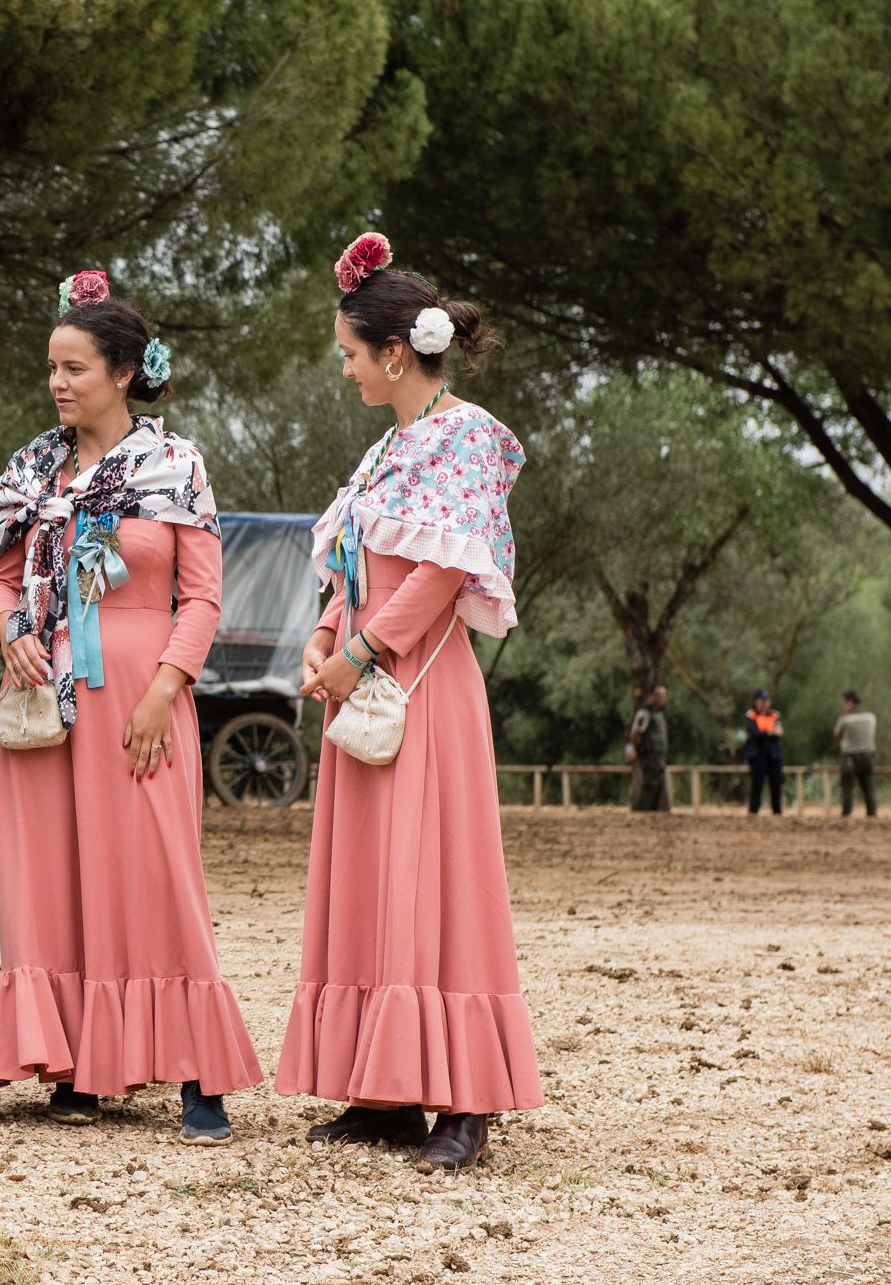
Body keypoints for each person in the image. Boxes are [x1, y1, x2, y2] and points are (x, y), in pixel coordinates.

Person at [0, 274, 262, 1144]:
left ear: (125, 371)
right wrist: (9, 630)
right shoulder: (30, 468)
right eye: (52, 368)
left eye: (76, 368)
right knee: (53, 876)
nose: (59, 384)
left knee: (156, 874)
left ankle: (198, 1075)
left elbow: (203, 598)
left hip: (140, 690)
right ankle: (76, 1063)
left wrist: (165, 689)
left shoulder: (175, 465)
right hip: (41, 697)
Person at [284, 233, 540, 1173]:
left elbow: (443, 567)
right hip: (369, 683)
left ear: (393, 351)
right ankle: (387, 1087)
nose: (343, 367)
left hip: (421, 692)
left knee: (441, 879)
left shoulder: (465, 435)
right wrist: (323, 633)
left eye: (349, 352)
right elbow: (362, 561)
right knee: (376, 879)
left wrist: (358, 648)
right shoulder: (388, 447)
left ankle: (466, 1099)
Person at [833, 692, 878, 819]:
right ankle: (872, 813)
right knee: (868, 786)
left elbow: (837, 736)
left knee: (847, 787)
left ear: (850, 703)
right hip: (868, 757)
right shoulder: (870, 717)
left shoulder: (844, 719)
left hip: (850, 758)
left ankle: (846, 813)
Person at [628, 684, 671, 813]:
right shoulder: (645, 712)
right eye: (660, 695)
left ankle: (656, 812)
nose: (663, 698)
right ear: (652, 695)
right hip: (649, 755)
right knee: (650, 784)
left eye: (664, 695)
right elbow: (635, 733)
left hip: (658, 756)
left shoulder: (658, 712)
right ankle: (641, 811)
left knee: (659, 784)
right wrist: (637, 750)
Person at [741, 690, 785, 816]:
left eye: (767, 701)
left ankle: (777, 811)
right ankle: (753, 811)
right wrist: (769, 732)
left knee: (776, 783)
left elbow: (779, 732)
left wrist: (766, 733)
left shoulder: (775, 715)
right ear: (756, 702)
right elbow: (754, 733)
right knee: (757, 783)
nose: (765, 703)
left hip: (773, 754)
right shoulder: (751, 715)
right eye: (762, 701)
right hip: (757, 754)